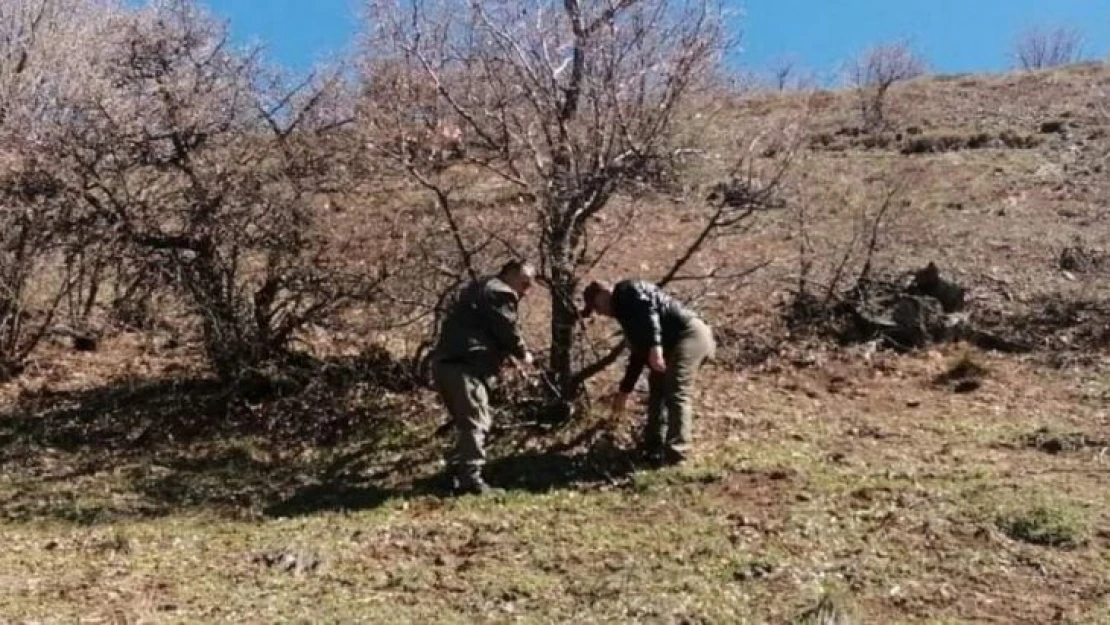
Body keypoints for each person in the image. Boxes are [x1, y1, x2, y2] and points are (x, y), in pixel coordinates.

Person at [580, 279, 714, 466]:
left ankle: (677, 455)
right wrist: (624, 391)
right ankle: (653, 447)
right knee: (657, 389)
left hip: (689, 335)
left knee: (676, 390)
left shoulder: (627, 290)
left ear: (603, 294)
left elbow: (649, 312)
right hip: (670, 344)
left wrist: (656, 347)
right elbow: (637, 357)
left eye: (596, 306)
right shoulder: (626, 316)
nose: (599, 312)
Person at [431, 260, 536, 494]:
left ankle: (456, 475)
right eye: (524, 283)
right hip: (465, 366)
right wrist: (523, 354)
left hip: (446, 363)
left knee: (466, 421)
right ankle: (470, 481)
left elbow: (484, 328)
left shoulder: (478, 288)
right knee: (476, 419)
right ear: (509, 275)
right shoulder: (500, 292)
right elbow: (507, 328)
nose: (526, 291)